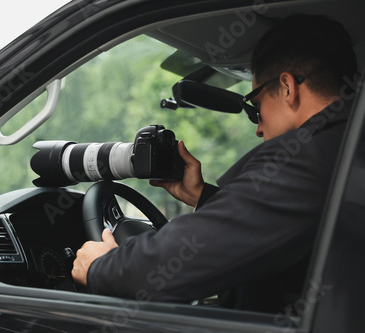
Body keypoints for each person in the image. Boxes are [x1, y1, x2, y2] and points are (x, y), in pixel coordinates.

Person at [71, 14, 359, 313]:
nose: (258, 128)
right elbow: (277, 221)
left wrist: (102, 267)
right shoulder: (346, 146)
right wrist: (203, 196)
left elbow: (185, 260)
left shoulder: (308, 155)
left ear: (287, 87)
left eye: (255, 108)